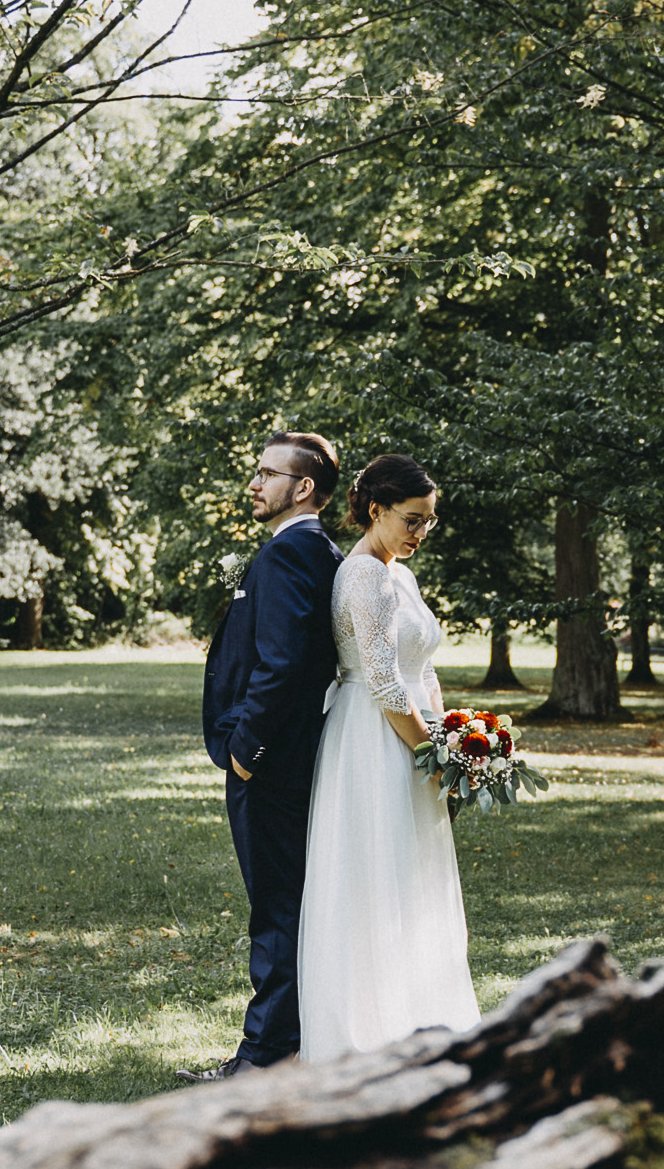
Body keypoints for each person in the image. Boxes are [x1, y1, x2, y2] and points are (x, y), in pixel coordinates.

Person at [297, 455, 480, 1060]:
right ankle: (364, 1032)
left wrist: (453, 734)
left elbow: (420, 666)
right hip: (372, 737)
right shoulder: (363, 576)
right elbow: (380, 678)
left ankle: (419, 1018)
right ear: (375, 509)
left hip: (416, 733)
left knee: (412, 873)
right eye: (411, 519)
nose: (420, 533)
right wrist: (434, 753)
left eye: (429, 522)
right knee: (374, 872)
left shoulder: (401, 575)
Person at [185, 432, 343, 1080]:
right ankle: (287, 1042)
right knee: (290, 903)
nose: (253, 483)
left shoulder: (287, 557)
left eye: (266, 473)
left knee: (276, 907)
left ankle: (263, 1057)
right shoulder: (316, 552)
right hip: (297, 758)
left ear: (303, 488)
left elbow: (282, 667)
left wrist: (245, 750)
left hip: (271, 763)